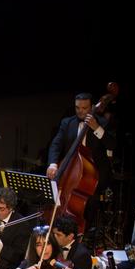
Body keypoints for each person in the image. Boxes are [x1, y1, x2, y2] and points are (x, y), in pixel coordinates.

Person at [45, 92, 117, 227]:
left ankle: (85, 231)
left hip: (94, 175)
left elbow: (112, 144)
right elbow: (56, 144)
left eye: (84, 108)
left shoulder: (103, 123)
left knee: (88, 203)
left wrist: (96, 128)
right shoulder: (67, 122)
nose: (80, 111)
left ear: (92, 107)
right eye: (77, 108)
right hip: (72, 170)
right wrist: (53, 164)